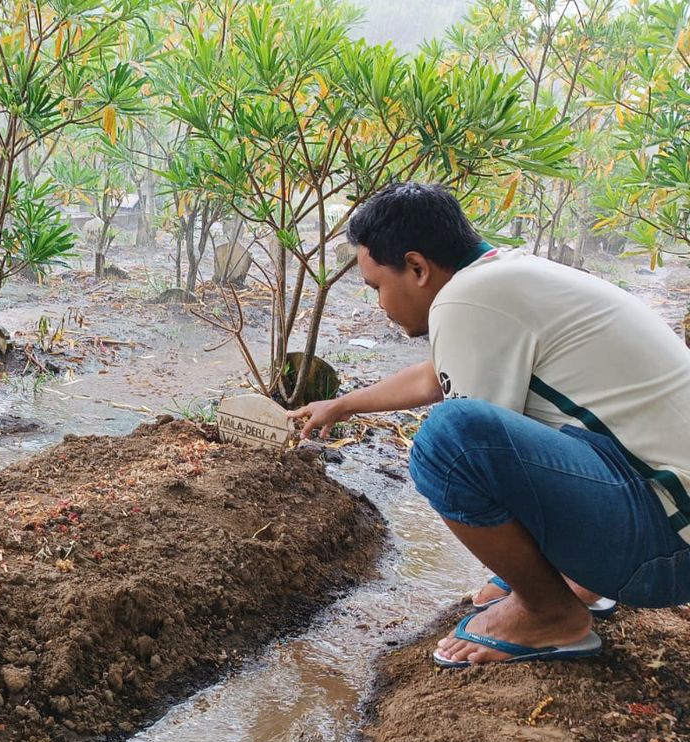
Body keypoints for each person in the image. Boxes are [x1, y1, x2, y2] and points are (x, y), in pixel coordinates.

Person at [287, 182, 690, 668]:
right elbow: (442, 372)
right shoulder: (503, 275)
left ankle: (549, 612)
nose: (379, 305)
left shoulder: (467, 298)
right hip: (664, 513)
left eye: (377, 286)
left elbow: (471, 441)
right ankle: (575, 579)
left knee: (445, 444)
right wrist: (344, 405)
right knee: (469, 432)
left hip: (665, 546)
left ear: (417, 267)